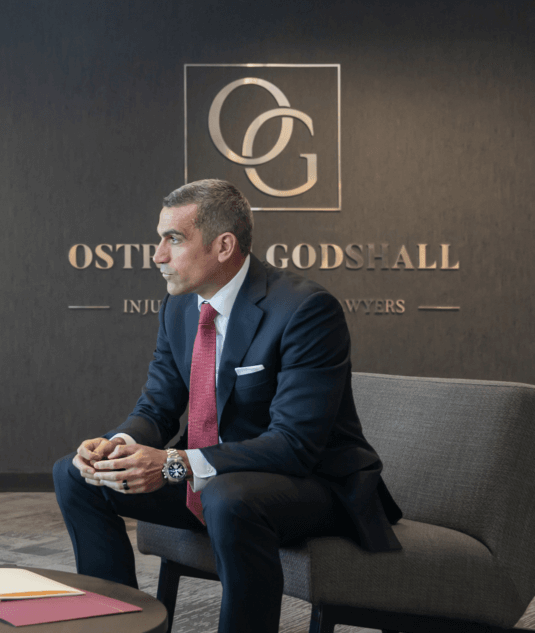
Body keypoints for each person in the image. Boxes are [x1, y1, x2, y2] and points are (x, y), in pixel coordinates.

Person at [52, 179, 402, 633]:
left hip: (316, 485)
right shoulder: (179, 308)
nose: (158, 255)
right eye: (160, 239)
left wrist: (175, 463)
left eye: (174, 239)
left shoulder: (305, 310)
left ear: (223, 246)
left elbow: (294, 445)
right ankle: (119, 628)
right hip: (219, 479)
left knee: (227, 497)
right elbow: (158, 407)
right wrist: (116, 446)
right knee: (74, 475)